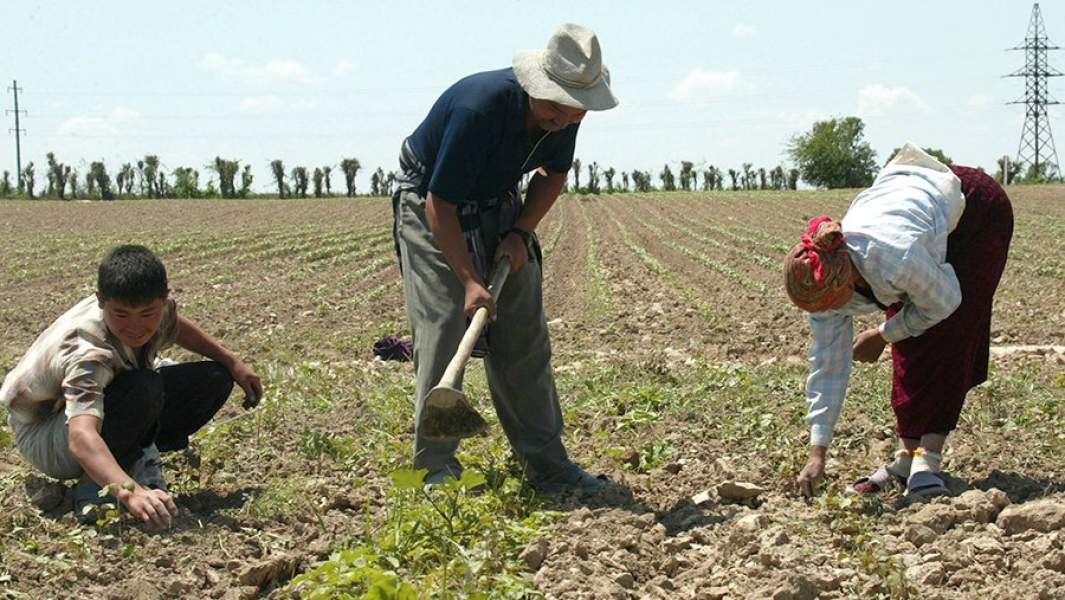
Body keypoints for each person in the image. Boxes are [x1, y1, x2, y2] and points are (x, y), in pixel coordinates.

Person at [391, 24, 618, 491]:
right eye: (555, 106)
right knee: (444, 327)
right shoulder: (480, 108)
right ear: (536, 85)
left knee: (523, 334)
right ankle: (435, 471)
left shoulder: (565, 117)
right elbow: (440, 204)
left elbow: (552, 174)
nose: (564, 119)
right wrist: (469, 281)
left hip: (499, 200)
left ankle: (548, 465)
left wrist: (519, 231)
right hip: (431, 200)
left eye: (575, 110)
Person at [785, 144, 1013, 498]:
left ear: (849, 280)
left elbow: (945, 303)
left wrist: (882, 333)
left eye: (833, 304)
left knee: (947, 333)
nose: (829, 312)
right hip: (916, 210)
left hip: (976, 212)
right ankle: (905, 460)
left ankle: (927, 460)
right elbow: (827, 366)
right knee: (907, 341)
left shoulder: (894, 259)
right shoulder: (825, 284)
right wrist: (818, 453)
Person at [1, 245, 263, 528]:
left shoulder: (151, 308)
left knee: (213, 378)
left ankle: (133, 454)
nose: (136, 327)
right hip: (45, 433)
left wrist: (232, 362)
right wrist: (130, 492)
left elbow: (174, 325)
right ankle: (94, 487)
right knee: (143, 387)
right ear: (101, 301)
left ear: (164, 298)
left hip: (87, 412)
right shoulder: (88, 353)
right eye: (122, 315)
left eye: (147, 314)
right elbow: (80, 436)